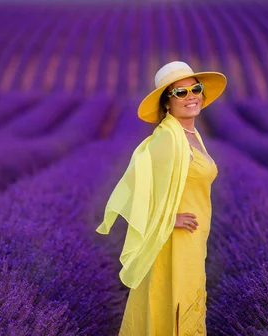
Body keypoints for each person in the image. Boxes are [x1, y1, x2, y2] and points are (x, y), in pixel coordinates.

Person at [95, 60, 227, 335]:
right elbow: (135, 190)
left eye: (195, 89)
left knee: (184, 302)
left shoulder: (190, 135)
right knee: (172, 302)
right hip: (173, 242)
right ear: (167, 102)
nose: (191, 97)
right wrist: (168, 218)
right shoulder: (166, 138)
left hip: (192, 239)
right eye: (180, 92)